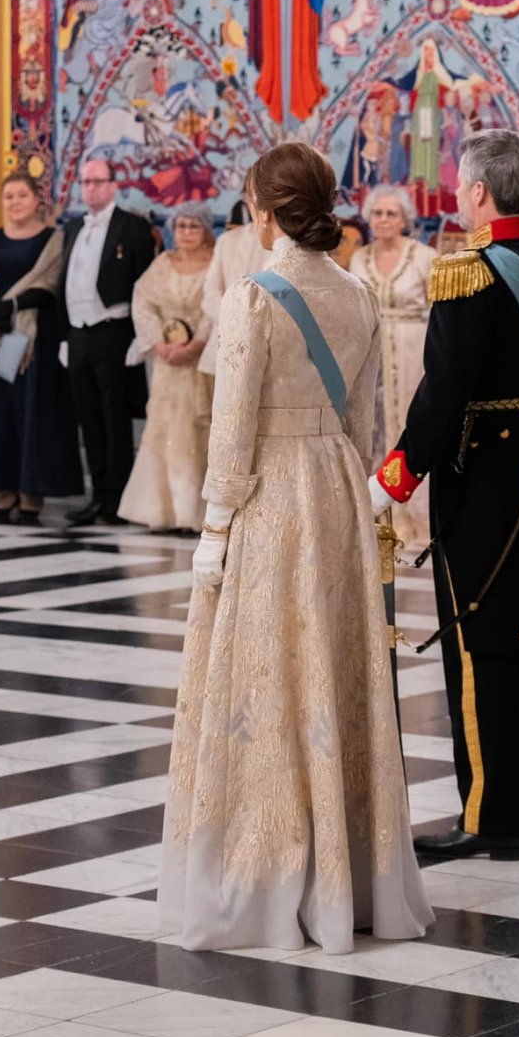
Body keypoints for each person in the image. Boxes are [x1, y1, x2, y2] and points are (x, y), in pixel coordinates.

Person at [160, 140, 432, 954]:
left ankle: (267, 871)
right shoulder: (357, 292)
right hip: (338, 491)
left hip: (274, 499)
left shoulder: (252, 297)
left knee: (268, 676)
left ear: (267, 210)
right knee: (335, 676)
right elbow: (364, 420)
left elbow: (232, 429)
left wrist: (213, 526)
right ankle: (345, 870)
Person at [371, 131, 519, 861]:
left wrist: (396, 473)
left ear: (480, 193)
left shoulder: (468, 274)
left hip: (481, 482)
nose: (459, 197)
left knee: (480, 639)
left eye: (462, 186)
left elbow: (443, 395)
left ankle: (490, 817)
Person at [0, 171, 81, 523]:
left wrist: (9, 307)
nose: (14, 202)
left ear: (37, 200)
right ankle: (3, 489)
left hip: (31, 344)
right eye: (8, 196)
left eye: (21, 196)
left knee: (30, 417)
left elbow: (49, 284)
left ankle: (31, 492)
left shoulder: (52, 240)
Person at [60, 156, 157, 524]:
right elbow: (63, 282)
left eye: (98, 181)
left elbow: (145, 285)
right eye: (85, 182)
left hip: (113, 333)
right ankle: (97, 495)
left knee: (115, 420)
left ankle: (119, 500)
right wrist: (64, 336)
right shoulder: (72, 228)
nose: (91, 188)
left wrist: (138, 335)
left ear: (114, 185)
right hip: (79, 333)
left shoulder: (131, 227)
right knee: (89, 418)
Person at [350, 187, 438, 547]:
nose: (383, 220)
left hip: (412, 348)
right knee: (373, 430)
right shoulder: (358, 258)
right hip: (370, 351)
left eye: (391, 214)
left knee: (409, 428)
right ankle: (376, 517)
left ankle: (417, 519)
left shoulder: (425, 257)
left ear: (405, 220)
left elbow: (439, 313)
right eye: (377, 213)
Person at [120, 207, 214, 532]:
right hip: (167, 365)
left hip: (201, 365)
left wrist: (196, 345)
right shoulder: (162, 263)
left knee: (196, 430)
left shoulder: (216, 263)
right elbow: (142, 301)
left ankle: (194, 511)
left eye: (193, 226)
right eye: (181, 226)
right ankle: (162, 509)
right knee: (164, 429)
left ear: (205, 229)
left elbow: (217, 307)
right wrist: (159, 343)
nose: (186, 231)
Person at [199, 172, 263, 376]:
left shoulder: (287, 243)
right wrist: (233, 321)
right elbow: (210, 293)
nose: (256, 201)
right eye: (251, 194)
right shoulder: (227, 241)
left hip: (268, 346)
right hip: (225, 342)